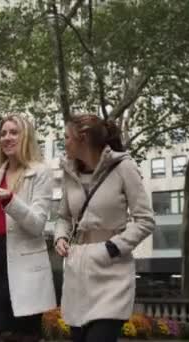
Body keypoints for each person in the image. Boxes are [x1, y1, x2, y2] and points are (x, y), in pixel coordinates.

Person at [54, 114, 155, 342]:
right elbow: (63, 217)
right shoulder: (69, 173)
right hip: (77, 273)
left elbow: (145, 220)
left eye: (67, 137)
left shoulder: (124, 167)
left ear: (84, 138)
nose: (64, 143)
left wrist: (112, 248)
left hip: (112, 273)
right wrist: (60, 238)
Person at [0, 114, 56, 342]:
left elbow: (37, 224)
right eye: (3, 133)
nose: (7, 138)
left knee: (22, 337)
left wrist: (10, 200)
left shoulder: (41, 172)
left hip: (25, 267)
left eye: (13, 132)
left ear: (26, 137)